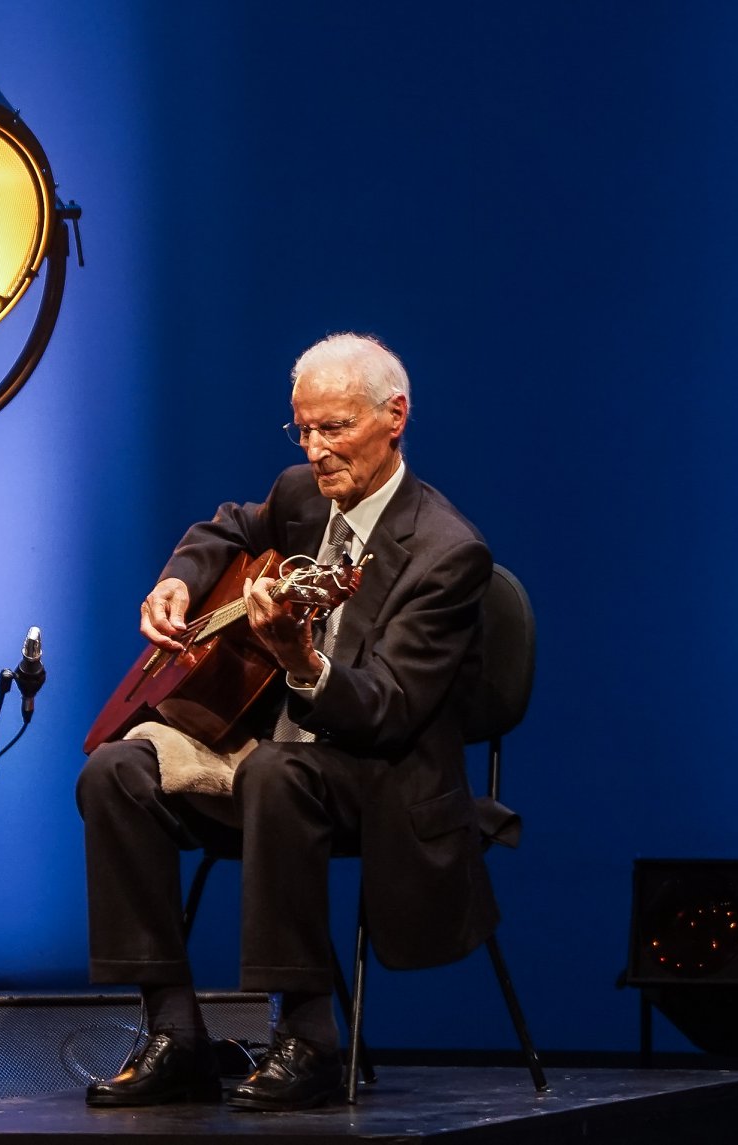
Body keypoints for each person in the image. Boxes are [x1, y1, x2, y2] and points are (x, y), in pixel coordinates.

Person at [76, 332, 497, 1111]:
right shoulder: (301, 494)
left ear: (394, 415)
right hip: (276, 755)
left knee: (276, 772)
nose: (315, 449)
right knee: (115, 770)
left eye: (333, 428)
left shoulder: (446, 553)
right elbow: (226, 529)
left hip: (383, 776)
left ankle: (309, 1038)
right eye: (301, 429)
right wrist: (177, 580)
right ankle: (176, 1033)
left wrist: (302, 662)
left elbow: (388, 710)